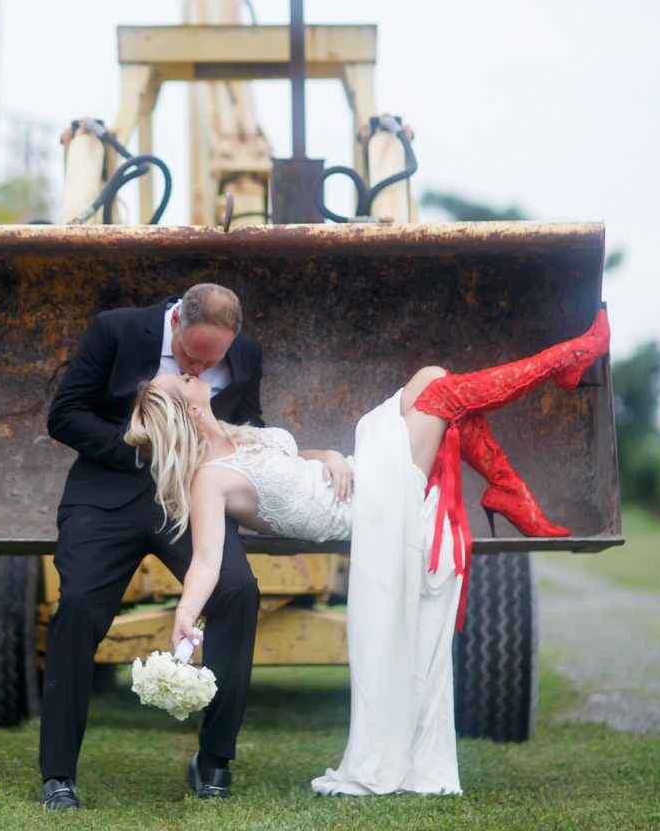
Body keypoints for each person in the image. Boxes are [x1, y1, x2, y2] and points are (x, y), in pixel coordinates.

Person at [125, 310, 611, 797]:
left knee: (432, 379)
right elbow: (207, 560)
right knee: (441, 394)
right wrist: (186, 613)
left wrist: (332, 458)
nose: (193, 372)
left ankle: (509, 490)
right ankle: (567, 364)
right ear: (189, 410)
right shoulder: (209, 478)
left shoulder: (237, 434)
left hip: (360, 472)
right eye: (185, 379)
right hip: (373, 509)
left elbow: (298, 460)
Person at [39, 283, 264, 810]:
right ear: (175, 323)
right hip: (109, 495)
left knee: (237, 591)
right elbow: (65, 415)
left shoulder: (247, 352)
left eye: (216, 361)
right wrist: (145, 450)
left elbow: (249, 424)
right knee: (77, 609)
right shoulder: (115, 329)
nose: (202, 370)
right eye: (191, 357)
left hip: (192, 499)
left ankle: (213, 761)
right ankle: (58, 774)